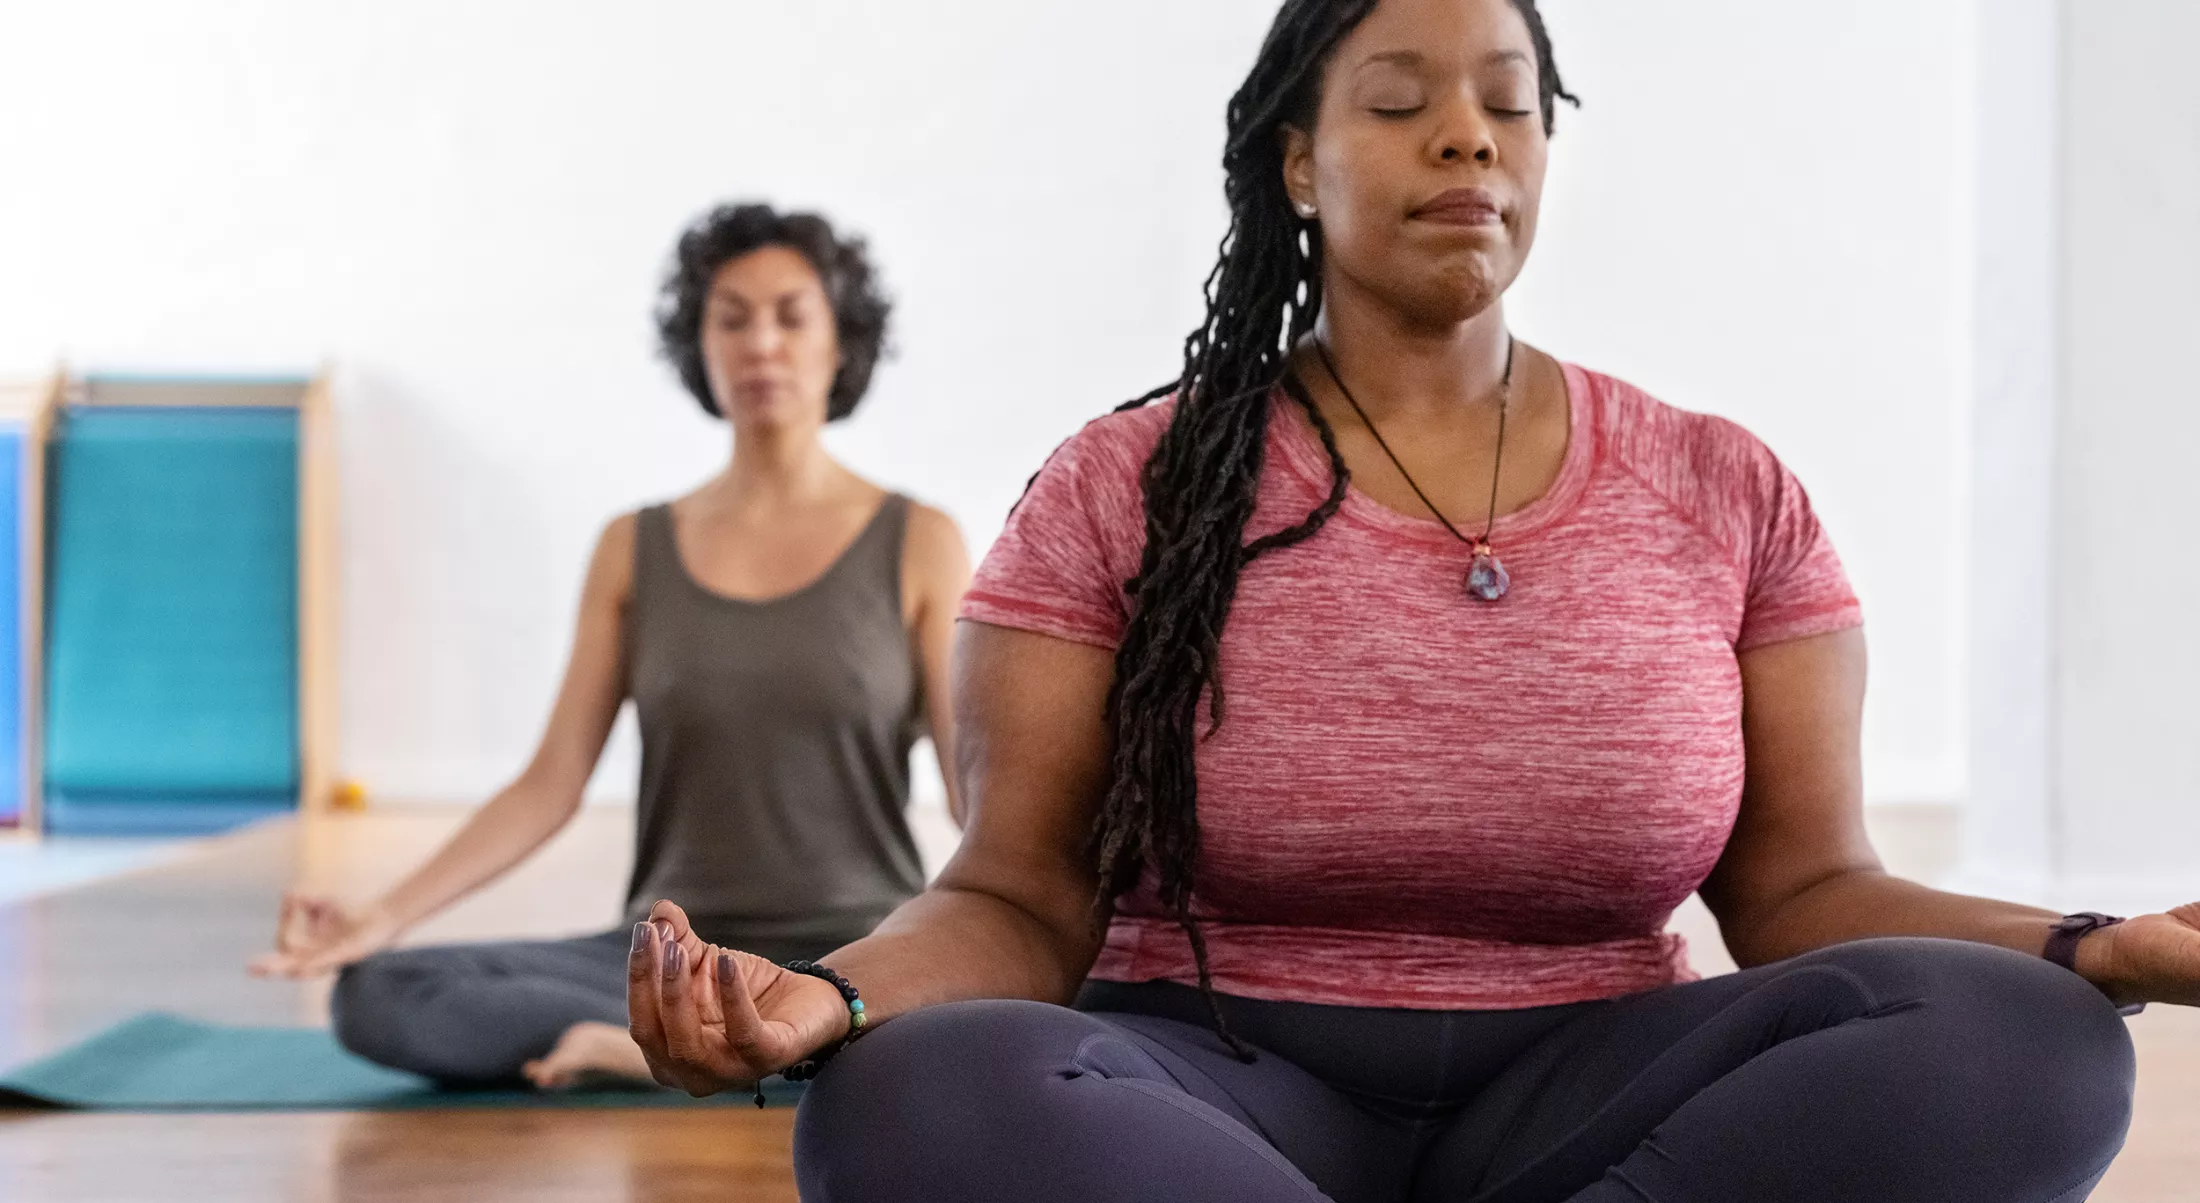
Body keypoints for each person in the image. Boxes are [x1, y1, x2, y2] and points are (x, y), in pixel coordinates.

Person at [628, 3, 2196, 1199]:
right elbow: (1018, 898)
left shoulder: (1723, 485)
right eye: (1402, 102)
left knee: (2035, 1045)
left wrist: (2098, 944)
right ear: (1298, 160)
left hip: (1603, 1073)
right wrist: (828, 999)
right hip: (1210, 1083)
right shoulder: (1124, 484)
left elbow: (1806, 893)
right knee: (914, 1098)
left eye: (1510, 105)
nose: (1470, 139)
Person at [252, 203, 970, 1091]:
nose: (761, 344)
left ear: (841, 342)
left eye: (792, 315)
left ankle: (745, 1042)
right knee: (380, 993)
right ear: (698, 346)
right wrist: (378, 916)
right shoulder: (633, 548)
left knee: (1000, 1005)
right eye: (731, 317)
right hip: (668, 961)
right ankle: (675, 1043)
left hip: (854, 955)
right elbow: (549, 784)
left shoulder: (921, 540)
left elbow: (979, 792)